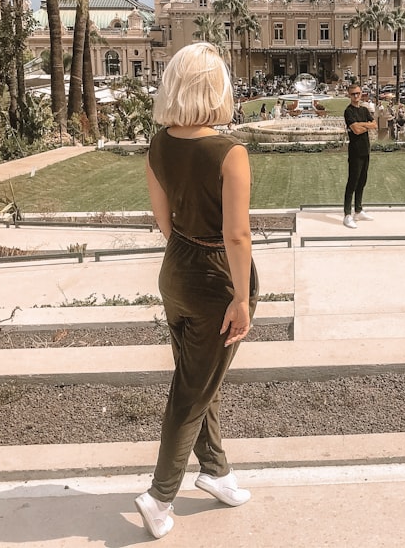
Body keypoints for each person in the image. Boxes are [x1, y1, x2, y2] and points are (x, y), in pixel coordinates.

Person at [136, 42, 258, 540]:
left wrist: (188, 257)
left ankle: (216, 471)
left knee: (198, 376)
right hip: (216, 279)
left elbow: (163, 221)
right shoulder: (229, 152)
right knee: (192, 388)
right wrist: (242, 297)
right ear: (216, 88)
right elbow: (237, 235)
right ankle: (160, 494)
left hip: (176, 269)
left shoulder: (159, 143)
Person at [343, 83, 375, 228]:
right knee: (352, 183)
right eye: (353, 94)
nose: (356, 96)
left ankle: (358, 210)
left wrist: (362, 125)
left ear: (361, 93)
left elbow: (374, 125)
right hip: (355, 151)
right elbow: (355, 130)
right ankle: (347, 214)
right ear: (349, 95)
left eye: (358, 93)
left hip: (365, 150)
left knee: (362, 181)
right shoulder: (348, 112)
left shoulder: (364, 109)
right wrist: (364, 125)